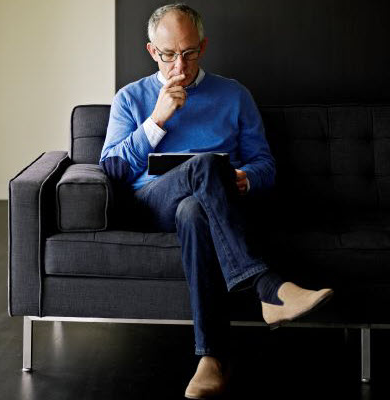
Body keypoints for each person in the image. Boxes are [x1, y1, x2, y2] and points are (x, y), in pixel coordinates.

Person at [99, 3, 334, 399]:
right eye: (169, 54)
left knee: (195, 209)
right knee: (205, 165)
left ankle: (212, 359)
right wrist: (156, 120)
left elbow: (265, 164)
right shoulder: (131, 98)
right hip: (154, 202)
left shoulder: (234, 94)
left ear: (203, 47)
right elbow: (114, 171)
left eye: (189, 53)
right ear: (152, 51)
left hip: (212, 207)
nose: (181, 64)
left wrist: (245, 179)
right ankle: (268, 287)